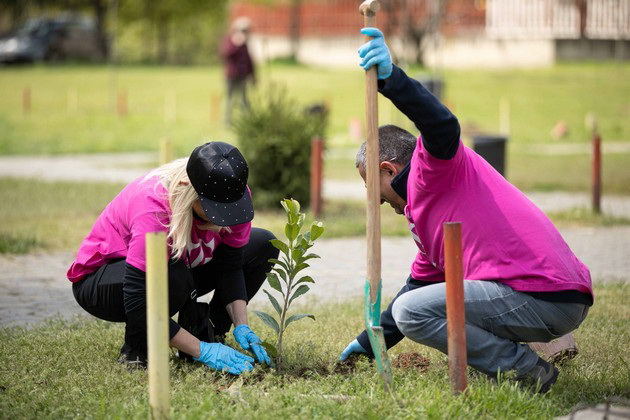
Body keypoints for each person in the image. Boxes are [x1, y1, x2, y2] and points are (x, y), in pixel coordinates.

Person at [339, 28, 593, 393]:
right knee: (411, 305)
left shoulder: (433, 168)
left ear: (388, 169)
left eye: (371, 187)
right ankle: (530, 354)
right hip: (551, 296)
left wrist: (392, 79)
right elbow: (418, 286)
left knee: (413, 312)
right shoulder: (425, 218)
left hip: (543, 294)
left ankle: (526, 372)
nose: (374, 201)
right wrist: (367, 343)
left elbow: (441, 124)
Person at [68, 141, 277, 375]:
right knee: (172, 277)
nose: (224, 220)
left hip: (177, 269)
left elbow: (231, 265)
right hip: (104, 282)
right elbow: (138, 300)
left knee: (262, 245)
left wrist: (242, 325)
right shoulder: (154, 208)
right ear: (189, 189)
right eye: (215, 210)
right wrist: (202, 351)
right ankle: (137, 350)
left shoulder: (231, 194)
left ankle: (212, 333)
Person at [220, 17, 256, 125]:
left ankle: (247, 120)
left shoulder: (245, 44)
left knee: (244, 99)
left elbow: (249, 60)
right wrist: (236, 44)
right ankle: (228, 121)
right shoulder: (230, 41)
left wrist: (253, 75)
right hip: (231, 76)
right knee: (230, 98)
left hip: (242, 75)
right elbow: (226, 54)